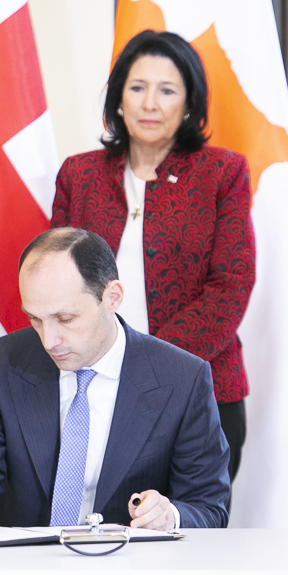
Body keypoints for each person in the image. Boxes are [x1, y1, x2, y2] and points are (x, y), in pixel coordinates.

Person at [50, 30, 254, 480]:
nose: (149, 104)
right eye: (138, 87)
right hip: (91, 387)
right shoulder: (79, 175)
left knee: (189, 519)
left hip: (199, 389)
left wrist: (146, 365)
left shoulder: (222, 173)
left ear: (190, 104)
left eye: (167, 91)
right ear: (119, 98)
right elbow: (53, 283)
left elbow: (231, 286)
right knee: (96, 516)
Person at [0, 228, 230, 533]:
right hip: (24, 559)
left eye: (65, 319)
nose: (48, 341)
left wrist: (170, 516)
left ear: (112, 297)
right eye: (35, 319)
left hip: (126, 560)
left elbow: (209, 507)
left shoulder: (182, 379)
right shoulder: (1, 363)